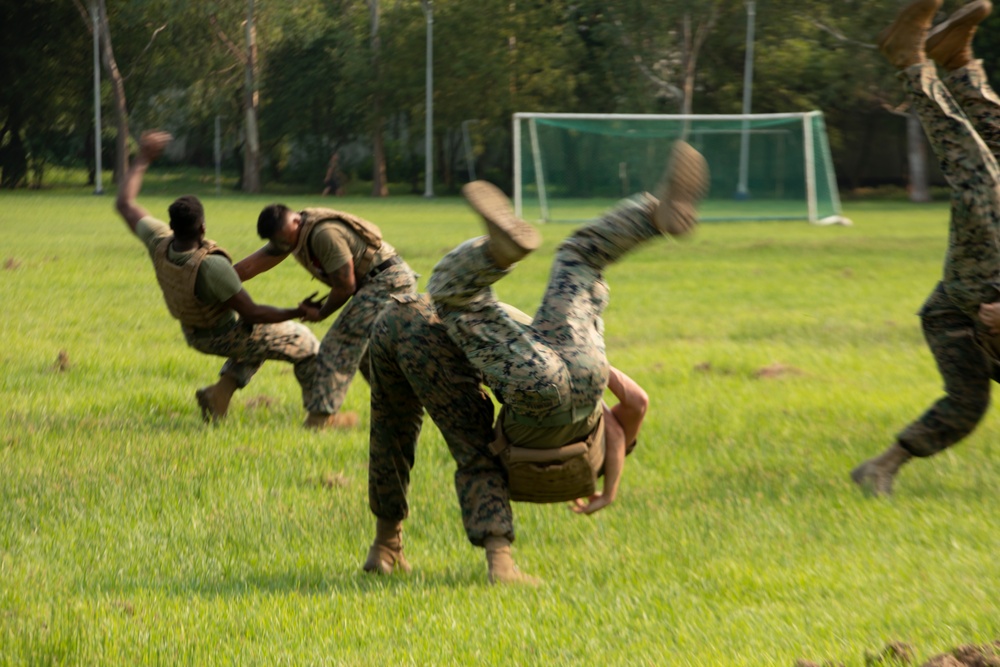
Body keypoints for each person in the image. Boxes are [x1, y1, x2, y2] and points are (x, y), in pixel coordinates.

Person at [358, 141, 708, 582]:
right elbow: (634, 403)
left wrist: (610, 485)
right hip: (554, 368)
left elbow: (635, 403)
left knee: (575, 261)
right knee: (556, 261)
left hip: (572, 375)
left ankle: (392, 546)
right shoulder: (597, 441)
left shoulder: (603, 436)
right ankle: (651, 216)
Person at [851, 0, 1000, 495]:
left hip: (979, 304)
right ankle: (955, 63)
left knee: (984, 184)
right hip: (968, 309)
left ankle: (913, 62)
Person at [115, 130, 320, 422]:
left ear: (172, 225)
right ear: (203, 228)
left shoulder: (159, 241)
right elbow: (253, 312)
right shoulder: (211, 267)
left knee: (261, 340)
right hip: (222, 335)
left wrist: (143, 158)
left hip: (192, 331)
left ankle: (218, 396)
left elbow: (125, 203)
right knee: (306, 344)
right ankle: (321, 419)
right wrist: (298, 311)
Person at [234, 201, 417, 429]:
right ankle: (407, 404)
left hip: (388, 281)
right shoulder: (291, 236)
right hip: (374, 283)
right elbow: (249, 267)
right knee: (367, 355)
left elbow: (345, 286)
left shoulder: (322, 233)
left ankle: (319, 420)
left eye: (284, 239)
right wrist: (216, 282)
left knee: (339, 343)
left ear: (295, 221)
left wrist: (320, 313)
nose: (283, 246)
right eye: (278, 242)